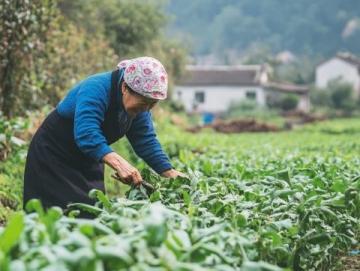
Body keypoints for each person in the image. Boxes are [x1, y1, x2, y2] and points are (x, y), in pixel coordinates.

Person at [23, 56, 184, 210]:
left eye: (152, 104)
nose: (146, 109)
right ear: (124, 88)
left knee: (91, 212)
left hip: (88, 158)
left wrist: (169, 172)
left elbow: (145, 141)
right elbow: (86, 132)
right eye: (143, 103)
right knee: (50, 214)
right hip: (54, 154)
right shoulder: (96, 88)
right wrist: (119, 164)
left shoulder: (141, 106)